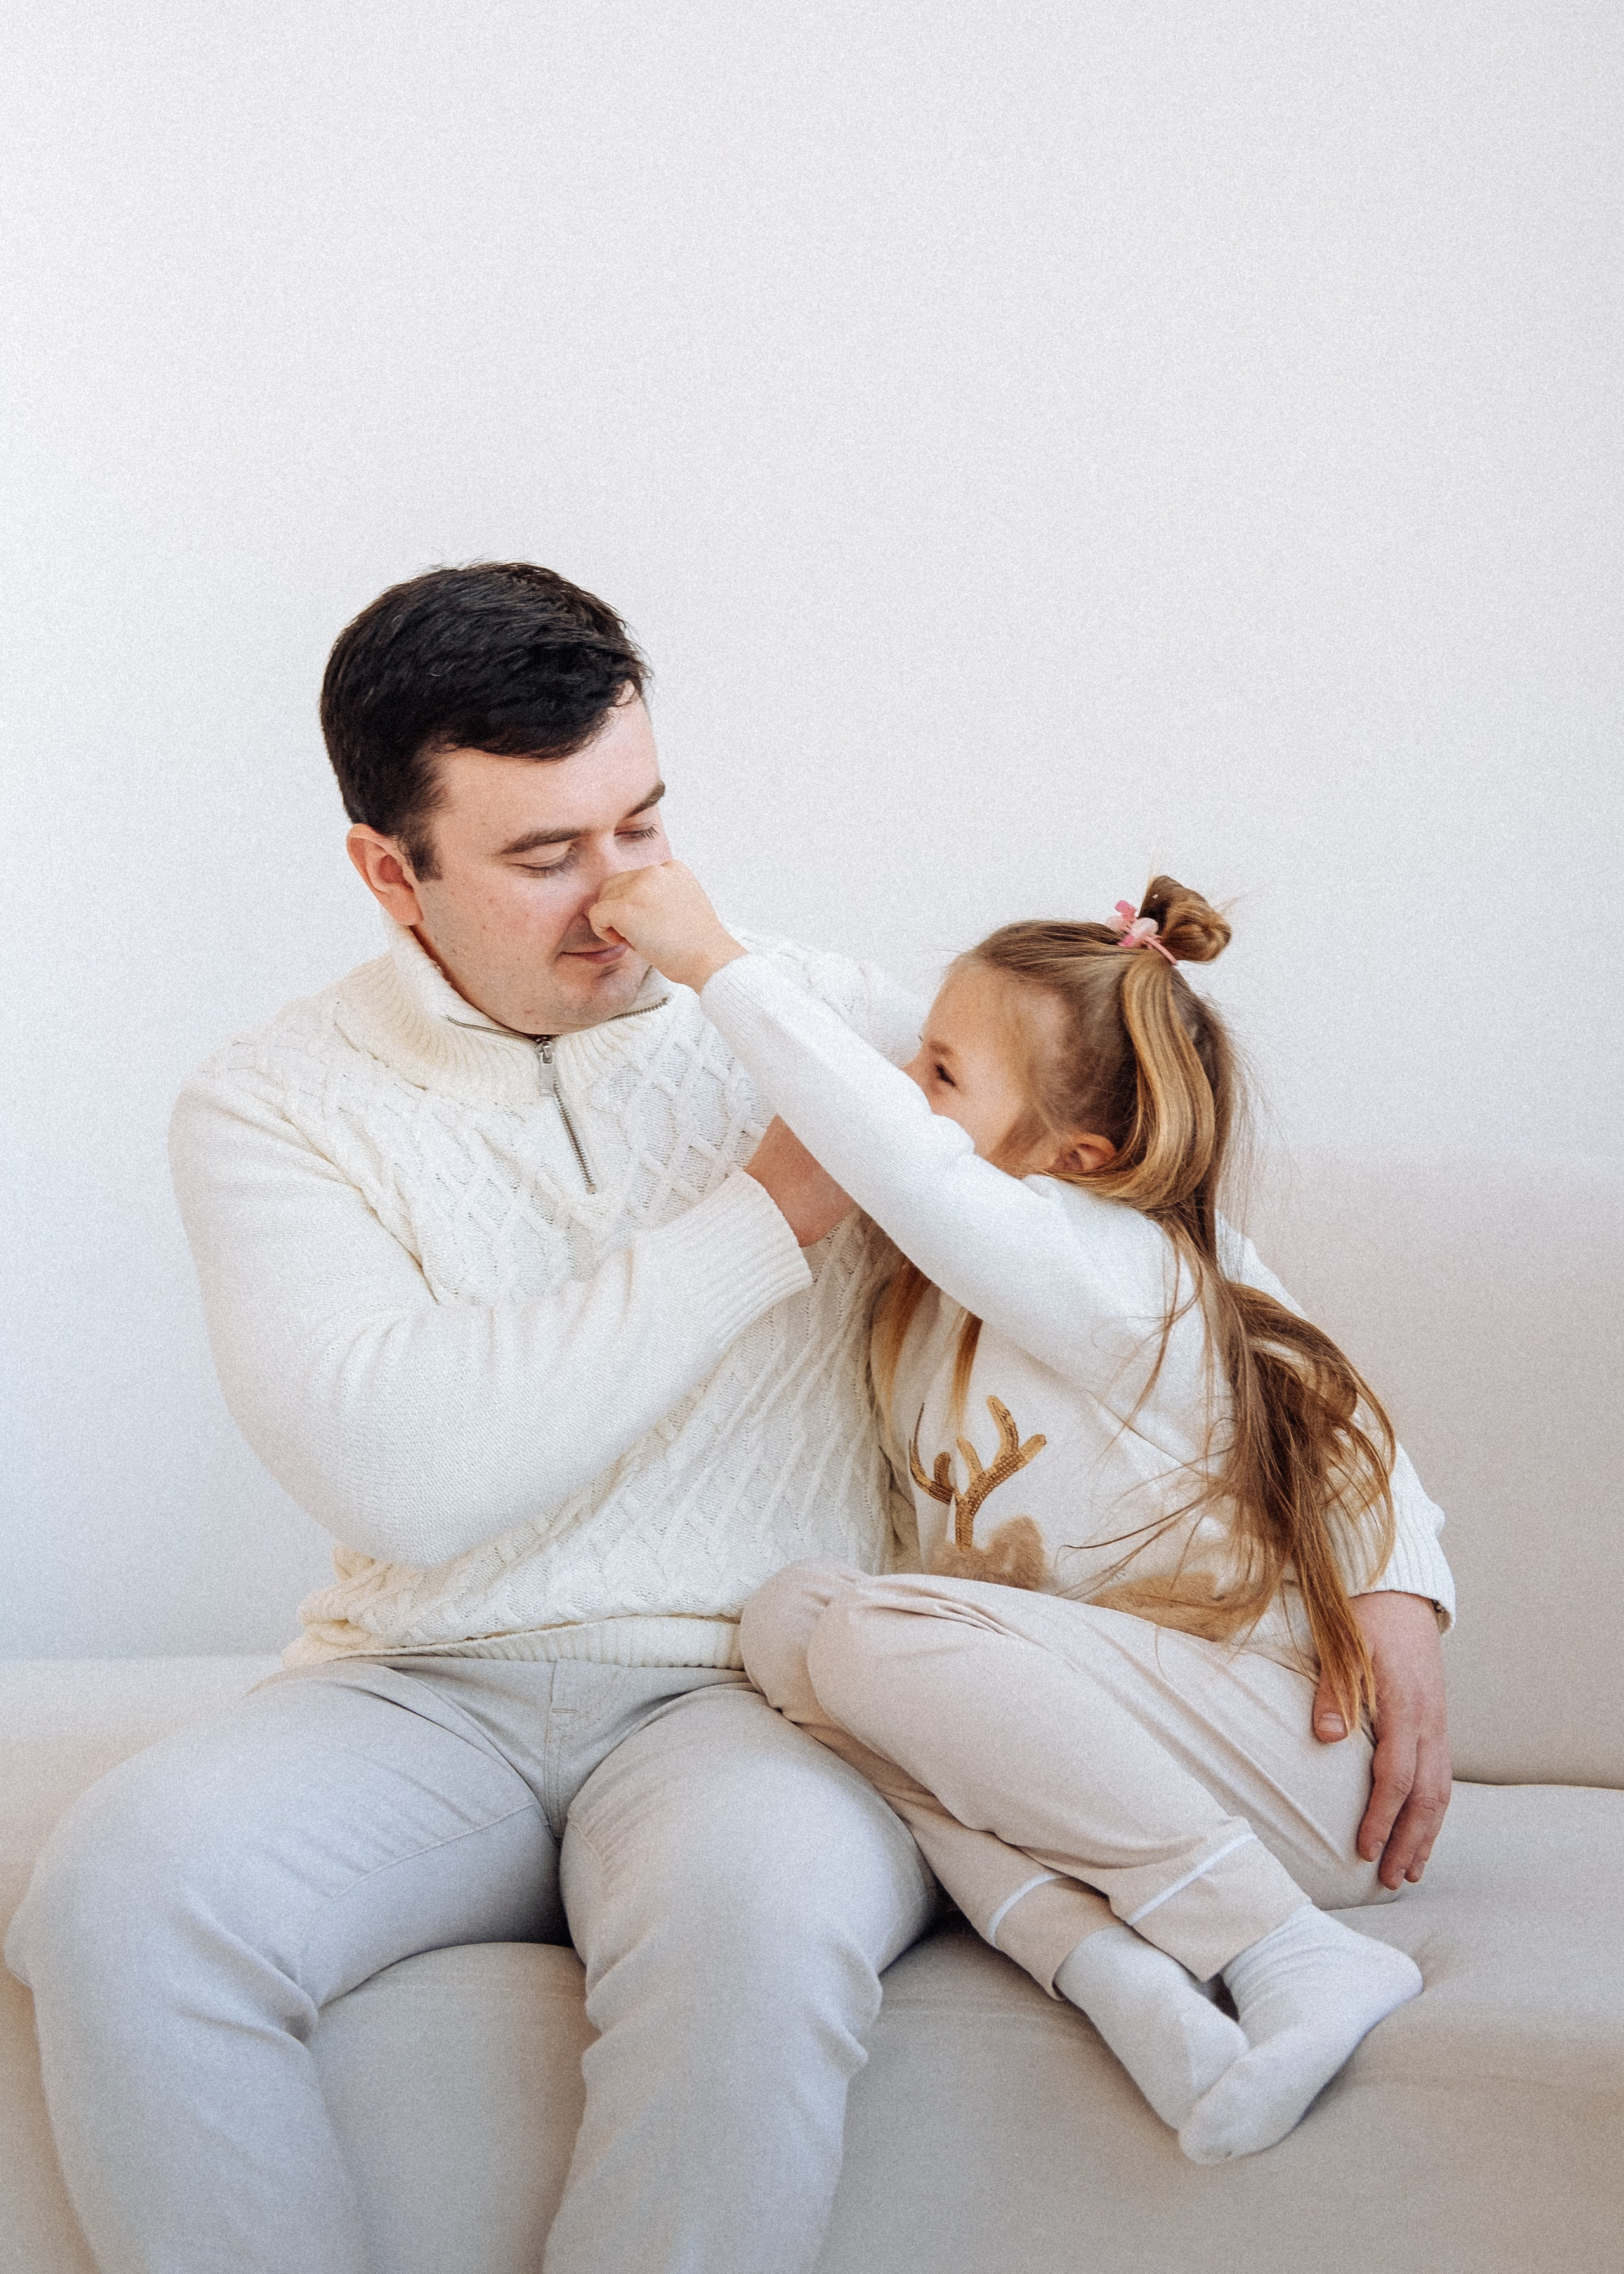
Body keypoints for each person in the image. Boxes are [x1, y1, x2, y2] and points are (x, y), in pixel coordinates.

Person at [6, 563, 940, 2274]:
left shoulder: (828, 1027)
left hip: (762, 1693)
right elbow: (402, 1472)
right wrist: (767, 1218)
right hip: (418, 1691)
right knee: (119, 1894)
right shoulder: (270, 1103)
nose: (625, 898)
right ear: (393, 872)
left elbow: (1171, 1276)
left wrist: (1394, 1559)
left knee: (759, 1913)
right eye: (546, 855)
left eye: (642, 826)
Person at [586, 857, 1457, 2166]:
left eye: (940, 1075)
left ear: (1073, 1158)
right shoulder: (947, 1299)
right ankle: (1111, 1971)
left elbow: (1326, 1399)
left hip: (1294, 1767)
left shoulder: (1104, 1259)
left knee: (873, 1632)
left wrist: (711, 961)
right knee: (791, 1624)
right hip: (1121, 1763)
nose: (900, 1091)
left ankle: (1282, 1947)